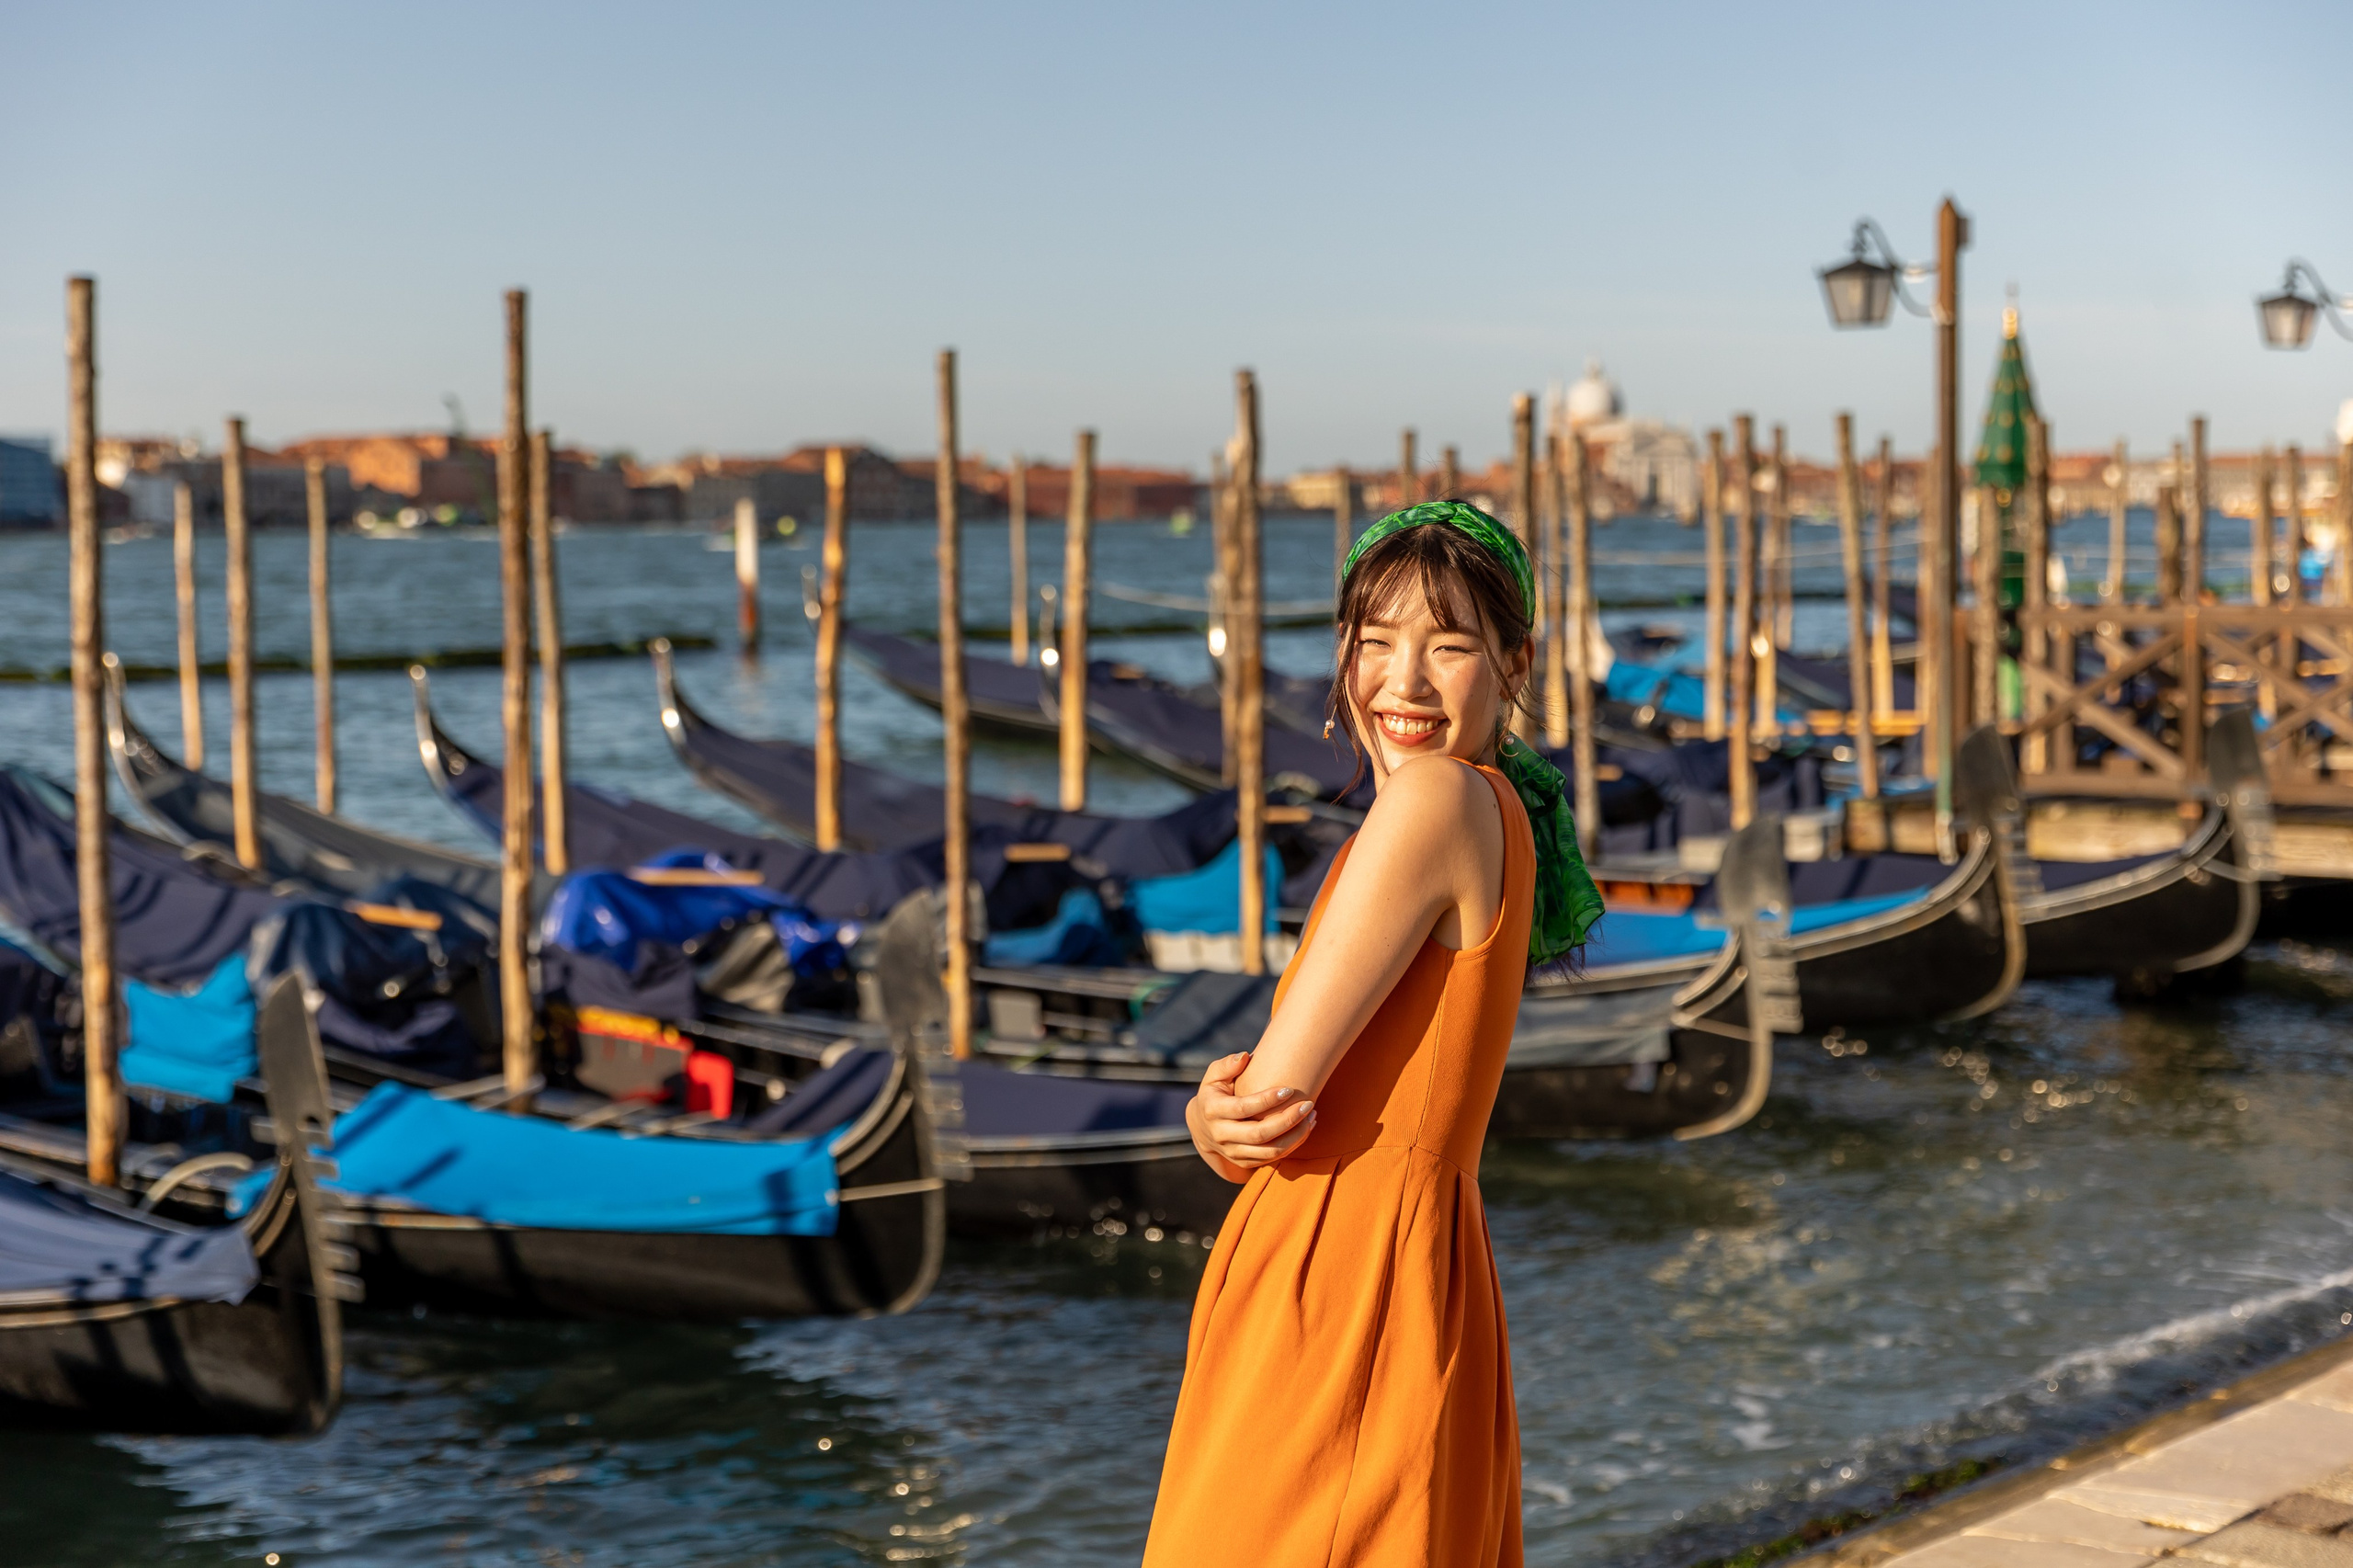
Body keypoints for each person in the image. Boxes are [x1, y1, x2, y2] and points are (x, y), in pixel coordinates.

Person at [1143, 501, 1603, 1567]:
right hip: (1418, 1272)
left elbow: (1264, 1104)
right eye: (1375, 641)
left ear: (1513, 661)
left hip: (1339, 1280)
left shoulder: (1433, 801)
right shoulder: (1497, 812)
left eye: (1448, 645)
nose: (1401, 681)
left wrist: (1205, 1111)